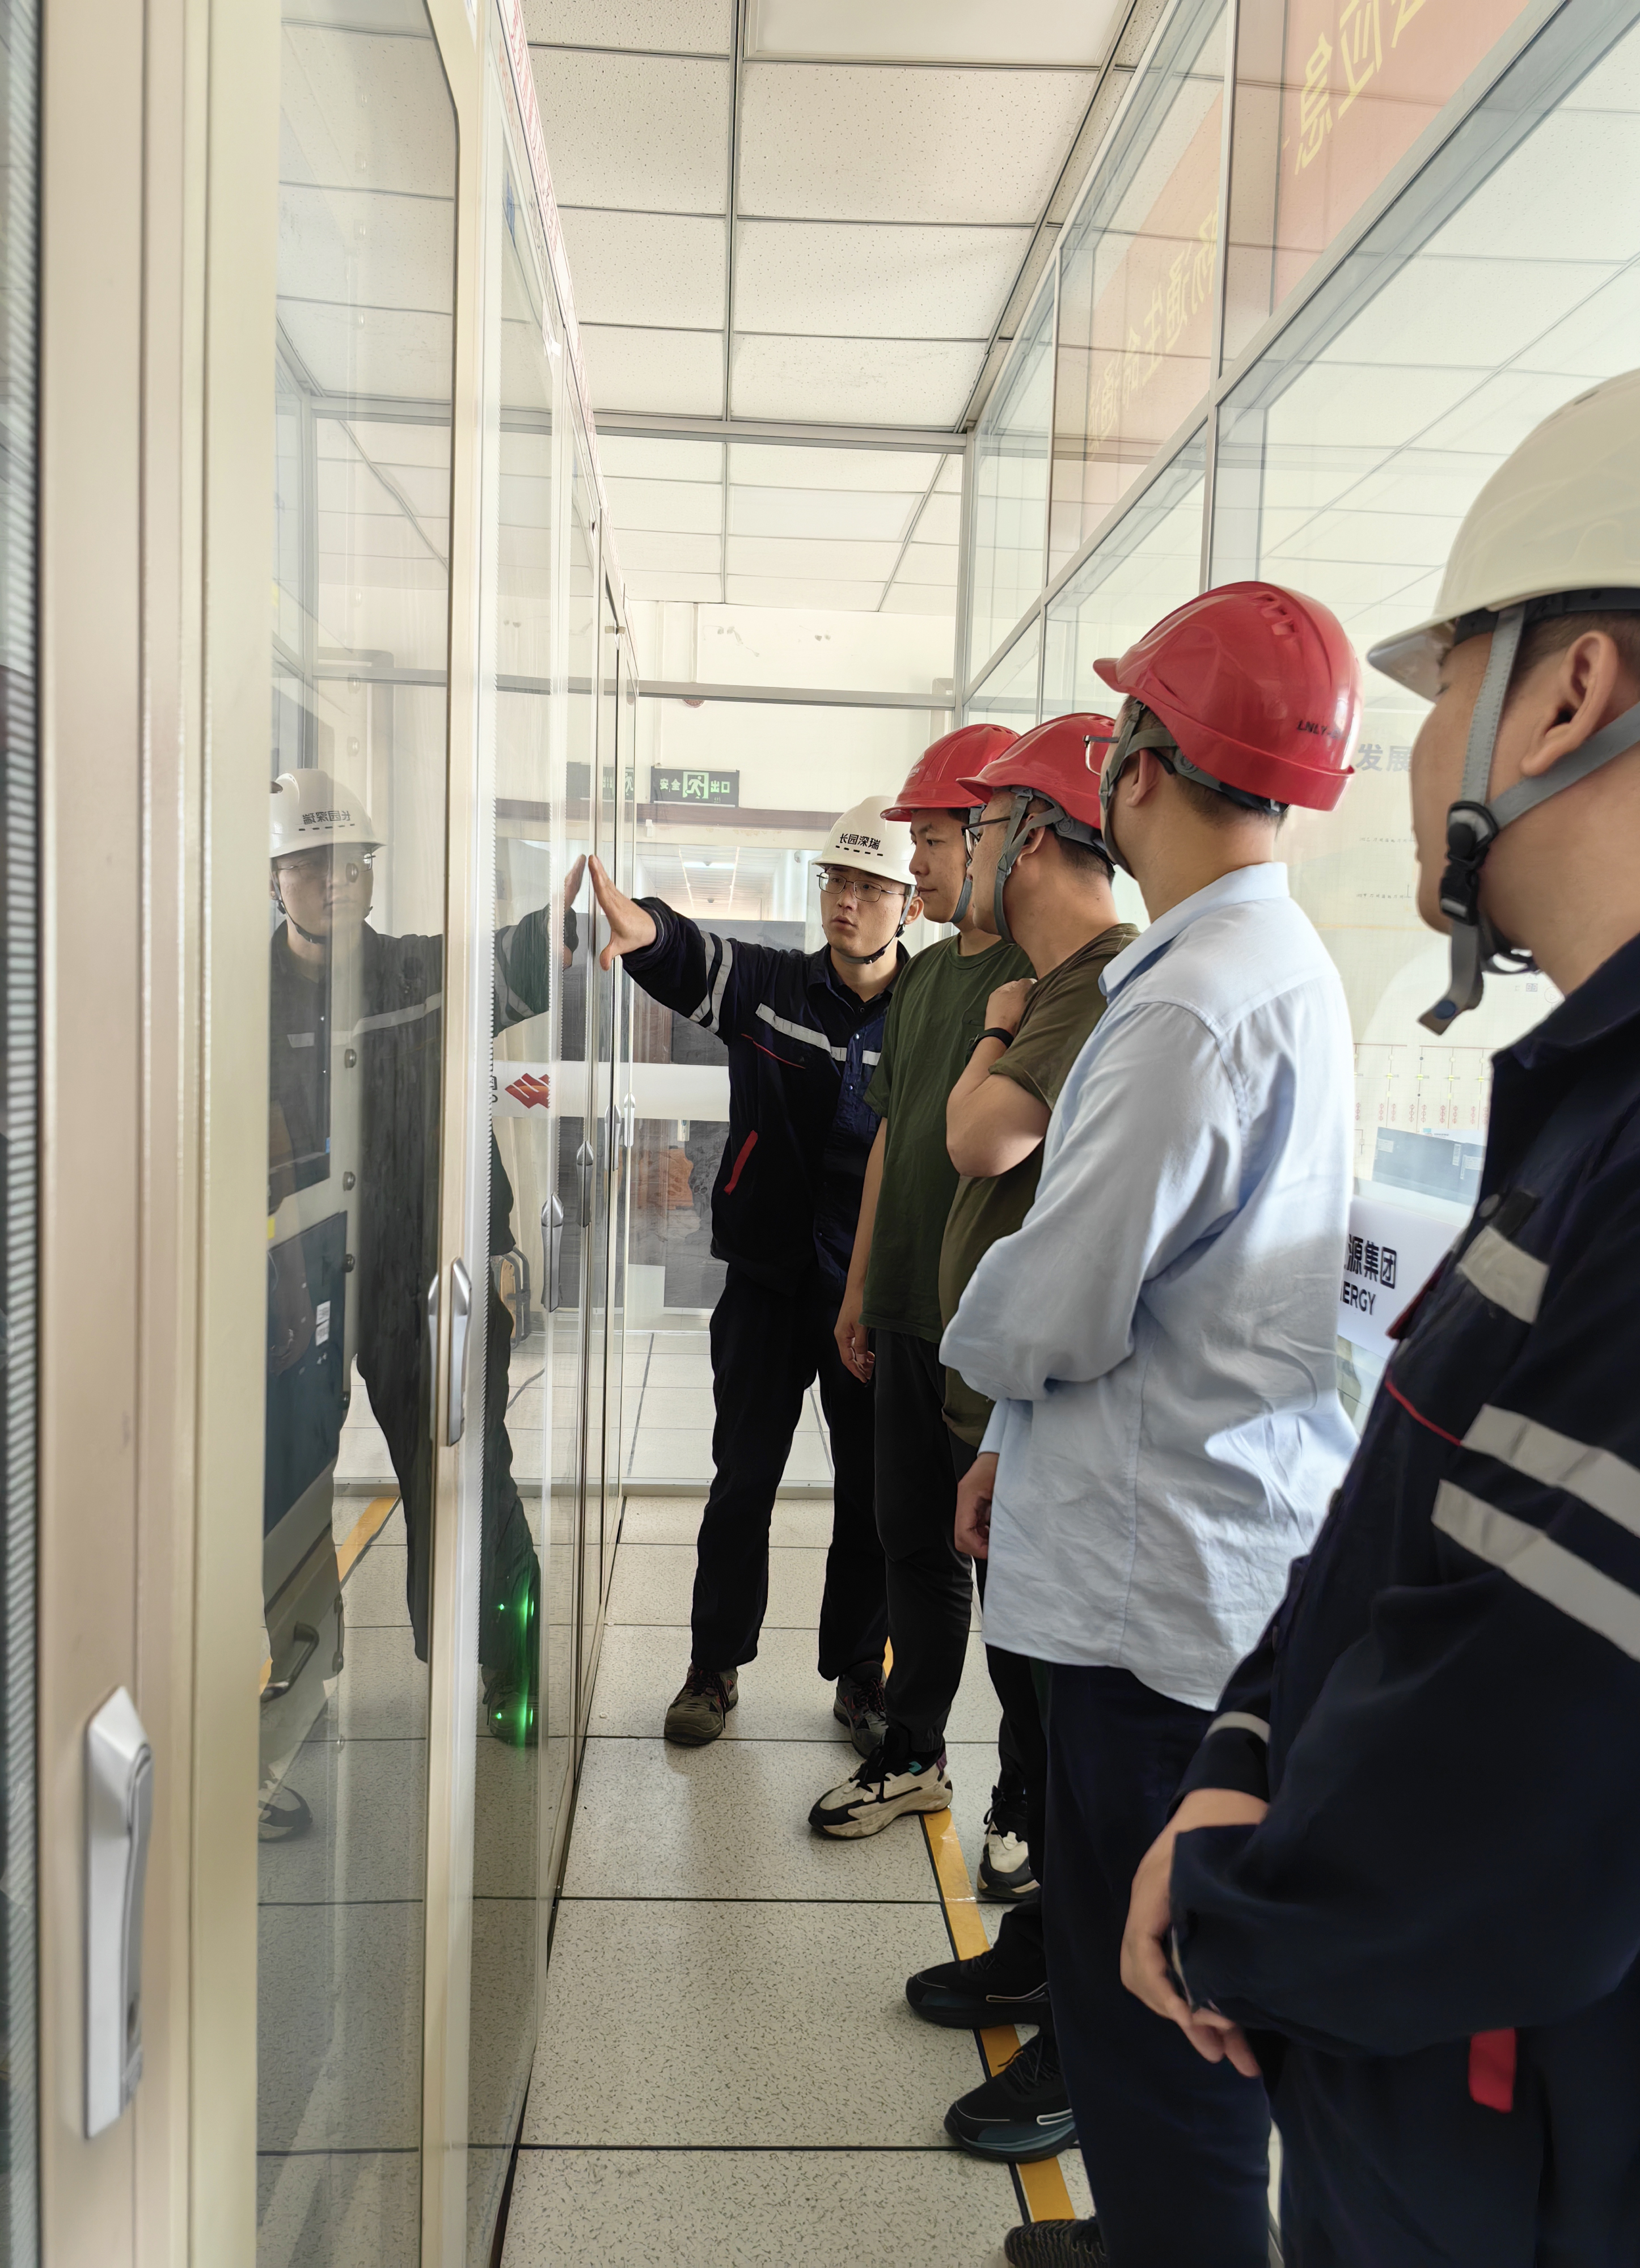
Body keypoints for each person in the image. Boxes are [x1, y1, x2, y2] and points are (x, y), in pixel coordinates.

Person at [1122, 357, 1640, 2268]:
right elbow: (1416, 1520)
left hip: (1537, 2173)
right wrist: (1239, 1757)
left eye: (1447, 679)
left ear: (1571, 691)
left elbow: (1538, 1777)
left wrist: (1238, 1921)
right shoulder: (1610, 1100)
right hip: (1446, 2121)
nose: (1419, 742)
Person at [939, 586, 1363, 2268]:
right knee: (1152, 1985)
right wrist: (1007, 1439)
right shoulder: (1260, 963)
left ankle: (1172, 2243)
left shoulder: (1191, 1002)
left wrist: (979, 1359)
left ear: (1138, 764)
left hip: (1148, 1597)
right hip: (1183, 1547)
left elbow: (1067, 1294)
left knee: (1152, 2012)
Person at [813, 714, 1136, 2168]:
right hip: (1011, 1393)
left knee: (1075, 1731)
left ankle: (1086, 2026)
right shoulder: (1033, 980)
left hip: (1096, 1437)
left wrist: (1001, 1034)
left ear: (1038, 834)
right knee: (1022, 1670)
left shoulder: (1121, 987)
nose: (952, 853)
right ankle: (1047, 1952)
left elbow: (985, 1146)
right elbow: (926, 1142)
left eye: (973, 827)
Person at [586, 800, 920, 1747]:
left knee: (870, 1496)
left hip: (869, 1294)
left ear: (909, 905)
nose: (847, 901)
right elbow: (692, 956)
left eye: (871, 887)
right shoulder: (772, 987)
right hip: (767, 1284)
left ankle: (861, 1676)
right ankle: (713, 1667)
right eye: (836, 881)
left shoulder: (928, 1013)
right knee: (743, 1483)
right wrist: (645, 927)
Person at [266, 772, 569, 1758]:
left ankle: (501, 1660)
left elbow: (522, 958)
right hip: (298, 1281)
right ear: (275, 878)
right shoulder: (239, 995)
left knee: (463, 1472)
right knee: (287, 1492)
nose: (334, 880)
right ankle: (294, 1680)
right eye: (310, 864)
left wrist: (578, 921)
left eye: (350, 862)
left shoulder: (418, 976)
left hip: (426, 1277)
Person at [809, 726, 1032, 1877]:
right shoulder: (930, 977)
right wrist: (860, 1287)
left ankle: (1027, 1797)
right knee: (909, 1537)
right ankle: (915, 1749)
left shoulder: (1042, 981)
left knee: (1007, 1565)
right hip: (902, 1301)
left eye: (938, 840)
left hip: (987, 1323)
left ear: (1001, 838)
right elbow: (894, 1135)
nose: (920, 864)